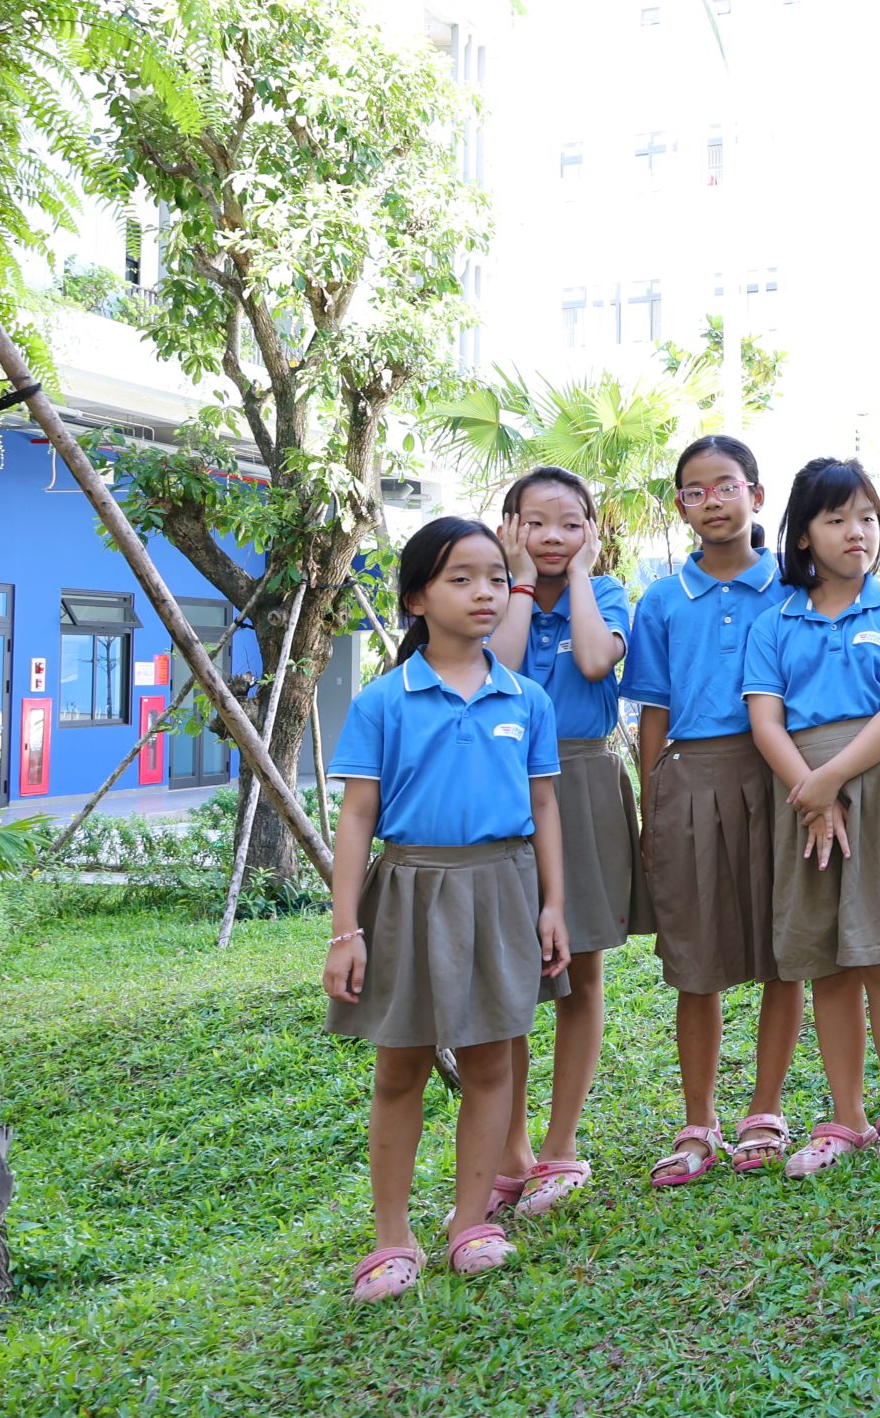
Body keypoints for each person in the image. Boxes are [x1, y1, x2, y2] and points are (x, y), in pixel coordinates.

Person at [323, 517, 569, 1302]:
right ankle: (391, 1237)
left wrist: (554, 903)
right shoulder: (383, 701)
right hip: (408, 890)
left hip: (502, 886)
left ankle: (472, 1222)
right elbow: (357, 817)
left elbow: (545, 806)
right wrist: (344, 930)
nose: (484, 592)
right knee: (400, 1065)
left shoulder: (525, 698)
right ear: (417, 596)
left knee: (493, 1057)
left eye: (496, 576)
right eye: (461, 577)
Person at [741, 457, 880, 1174]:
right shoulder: (775, 623)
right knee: (827, 958)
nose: (855, 531)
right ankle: (846, 1114)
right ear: (803, 534)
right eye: (836, 519)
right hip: (803, 796)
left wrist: (831, 779)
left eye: (866, 517)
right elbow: (765, 721)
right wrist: (811, 791)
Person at [619, 435, 803, 1184]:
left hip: (779, 772)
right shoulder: (661, 600)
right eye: (694, 491)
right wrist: (653, 794)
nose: (713, 502)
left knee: (780, 943)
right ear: (680, 507)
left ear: (757, 495)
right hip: (689, 776)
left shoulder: (792, 589)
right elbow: (651, 714)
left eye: (726, 485)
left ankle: (766, 1108)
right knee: (695, 958)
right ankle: (698, 1119)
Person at [488, 466, 641, 1219]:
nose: (553, 537)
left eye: (570, 523)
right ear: (510, 525)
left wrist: (580, 574)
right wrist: (517, 582)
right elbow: (502, 672)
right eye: (536, 521)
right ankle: (510, 1153)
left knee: (580, 972)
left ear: (590, 531)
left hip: (581, 783)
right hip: (502, 790)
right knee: (513, 977)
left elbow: (591, 661)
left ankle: (561, 1145)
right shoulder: (489, 593)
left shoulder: (605, 595)